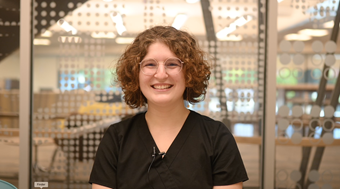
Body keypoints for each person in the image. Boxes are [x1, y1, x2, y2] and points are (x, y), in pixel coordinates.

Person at [89, 26, 248, 189]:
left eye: (172, 64)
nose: (161, 74)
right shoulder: (116, 139)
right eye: (150, 64)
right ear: (135, 74)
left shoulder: (217, 137)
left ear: (189, 73)